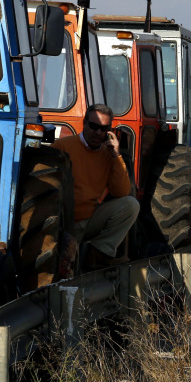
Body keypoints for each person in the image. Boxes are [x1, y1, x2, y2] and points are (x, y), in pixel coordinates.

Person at [52, 103, 139, 270]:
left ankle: (99, 254)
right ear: (84, 123)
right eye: (94, 126)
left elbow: (121, 192)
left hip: (90, 220)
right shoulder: (62, 146)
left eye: (103, 128)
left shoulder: (108, 154)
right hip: (64, 223)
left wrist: (116, 156)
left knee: (131, 205)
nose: (98, 132)